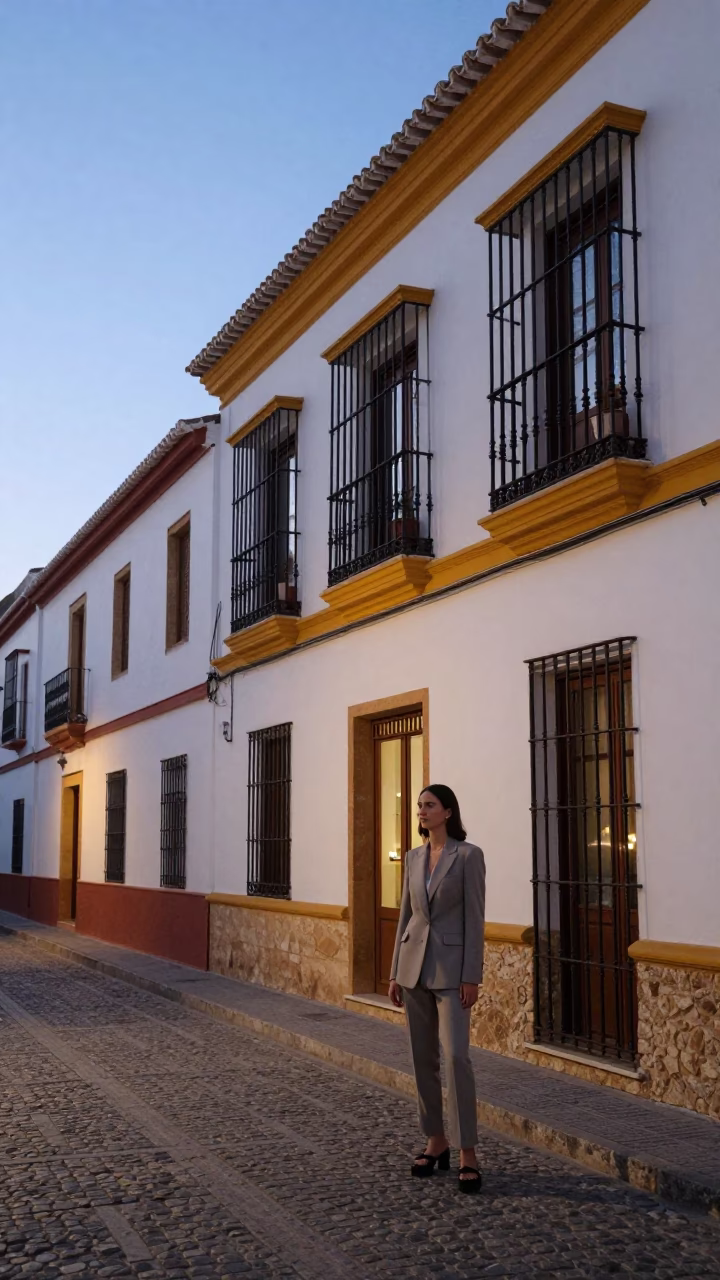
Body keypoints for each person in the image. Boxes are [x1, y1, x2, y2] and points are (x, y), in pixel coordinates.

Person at [388, 783, 485, 1193]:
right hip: (413, 970)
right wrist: (394, 971)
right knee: (421, 1059)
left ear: (447, 812)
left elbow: (475, 919)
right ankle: (435, 1140)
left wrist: (471, 976)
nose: (421, 812)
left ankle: (467, 1152)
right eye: (419, 806)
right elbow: (406, 916)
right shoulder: (412, 857)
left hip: (451, 972)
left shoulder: (468, 856)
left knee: (457, 1057)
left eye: (429, 806)